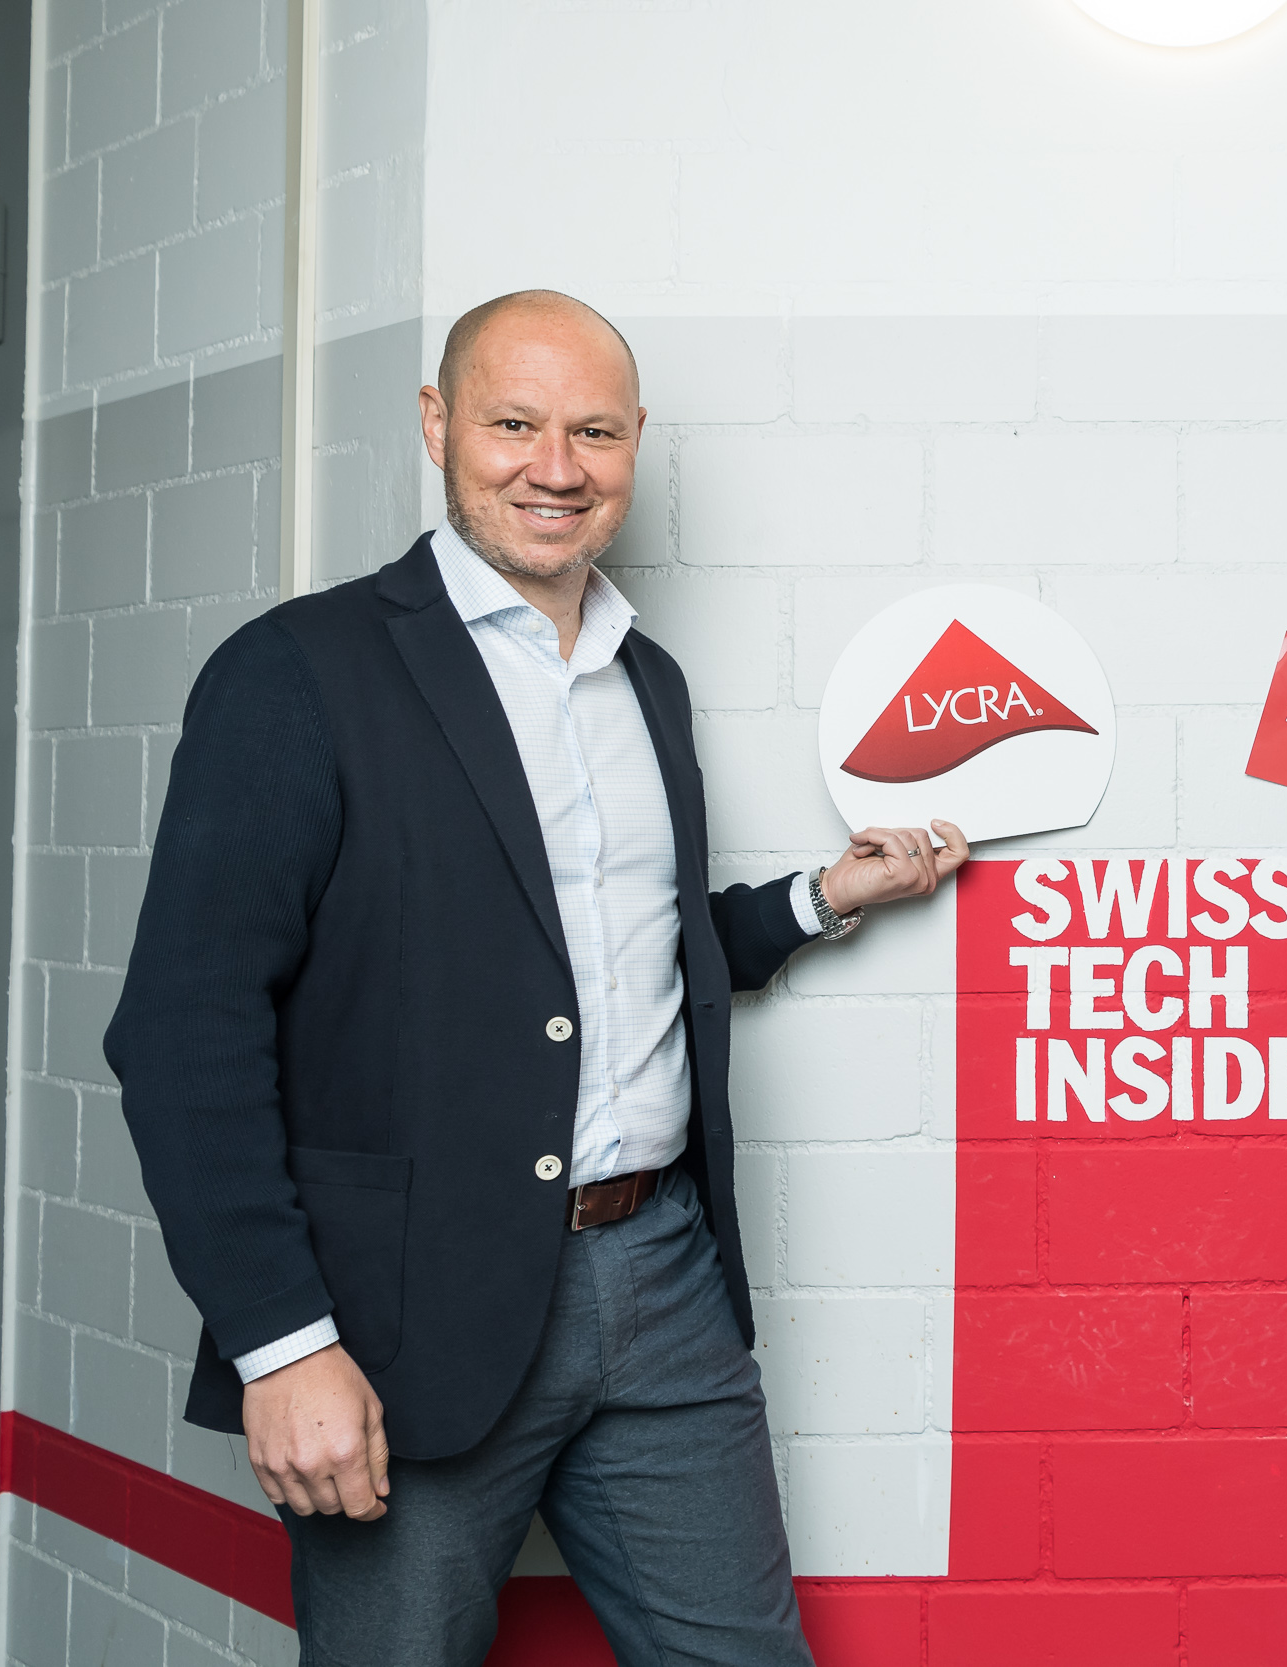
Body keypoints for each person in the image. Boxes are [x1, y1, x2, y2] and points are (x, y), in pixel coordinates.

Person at [105, 289, 968, 1666]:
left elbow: (607, 953)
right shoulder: (299, 673)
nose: (555, 467)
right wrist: (282, 1342)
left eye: (594, 433)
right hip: (405, 1313)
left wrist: (819, 901)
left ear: (635, 444)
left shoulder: (647, 682)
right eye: (514, 424)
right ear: (438, 425)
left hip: (663, 1282)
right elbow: (181, 1032)